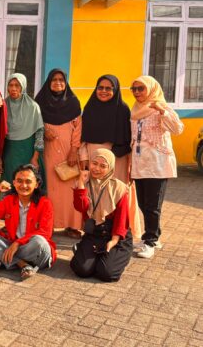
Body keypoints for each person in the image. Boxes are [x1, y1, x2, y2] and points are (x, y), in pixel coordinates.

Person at [129, 76, 183, 259]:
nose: (137, 92)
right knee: (143, 204)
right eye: (134, 89)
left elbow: (178, 129)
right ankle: (155, 235)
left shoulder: (162, 107)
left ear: (152, 89)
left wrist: (162, 111)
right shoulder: (135, 110)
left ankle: (150, 241)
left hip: (157, 164)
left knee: (153, 205)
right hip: (139, 164)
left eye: (141, 88)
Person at [0, 164, 56, 280]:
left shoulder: (45, 203)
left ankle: (3, 258)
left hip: (37, 253)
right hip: (12, 246)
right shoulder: (9, 200)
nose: (23, 185)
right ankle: (21, 264)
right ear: (14, 183)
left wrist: (17, 243)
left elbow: (45, 233)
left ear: (36, 184)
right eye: (19, 181)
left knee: (39, 241)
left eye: (28, 181)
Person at [70, 149, 132, 282]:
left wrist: (114, 240)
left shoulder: (118, 188)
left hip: (115, 235)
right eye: (94, 163)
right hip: (94, 234)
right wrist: (80, 183)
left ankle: (115, 256)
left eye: (103, 166)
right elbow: (81, 207)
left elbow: (122, 218)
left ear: (110, 168)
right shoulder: (85, 184)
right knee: (82, 270)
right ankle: (89, 254)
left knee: (107, 273)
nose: (97, 168)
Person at [35, 68, 83, 238]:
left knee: (70, 189)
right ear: (49, 82)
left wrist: (74, 151)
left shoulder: (73, 102)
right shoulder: (40, 102)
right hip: (48, 153)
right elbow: (35, 123)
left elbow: (78, 129)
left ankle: (72, 225)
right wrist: (44, 129)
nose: (58, 83)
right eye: (54, 80)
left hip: (68, 154)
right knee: (51, 189)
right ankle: (49, 224)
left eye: (61, 80)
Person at [79, 75, 131, 180]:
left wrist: (131, 163)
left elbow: (128, 138)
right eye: (100, 87)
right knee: (94, 188)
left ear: (115, 90)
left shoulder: (123, 109)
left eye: (108, 88)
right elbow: (82, 137)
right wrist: (83, 157)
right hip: (93, 155)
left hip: (117, 157)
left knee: (115, 187)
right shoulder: (90, 108)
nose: (103, 91)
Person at [0, 73, 44, 189]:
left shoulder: (33, 107)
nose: (13, 89)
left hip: (27, 151)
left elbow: (39, 133)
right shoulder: (3, 106)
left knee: (26, 184)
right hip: (9, 152)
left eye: (17, 85)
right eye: (11, 85)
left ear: (23, 87)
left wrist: (35, 158)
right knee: (9, 185)